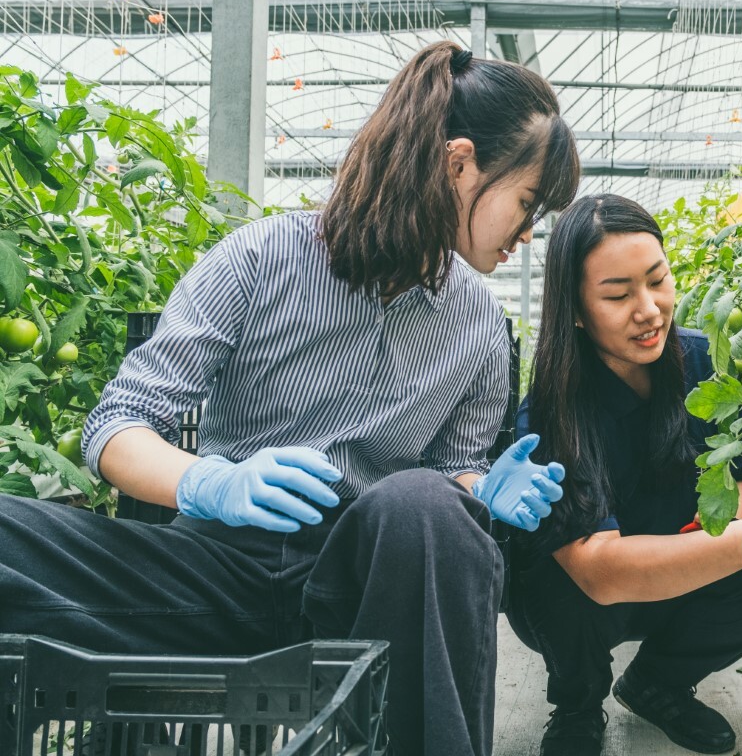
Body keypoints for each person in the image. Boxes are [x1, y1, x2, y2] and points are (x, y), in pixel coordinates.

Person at [0, 42, 580, 756]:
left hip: (361, 596)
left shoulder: (481, 327)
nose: (529, 235)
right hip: (215, 572)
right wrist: (208, 482)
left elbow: (452, 472)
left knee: (429, 507)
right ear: (460, 165)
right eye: (527, 204)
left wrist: (478, 487)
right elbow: (117, 423)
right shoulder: (261, 258)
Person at [509, 194, 742, 756]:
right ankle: (578, 703)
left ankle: (659, 682)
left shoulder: (711, 365)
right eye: (618, 294)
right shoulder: (551, 412)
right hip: (594, 600)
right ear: (575, 309)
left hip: (688, 574)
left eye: (658, 280)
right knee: (551, 571)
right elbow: (598, 571)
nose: (649, 309)